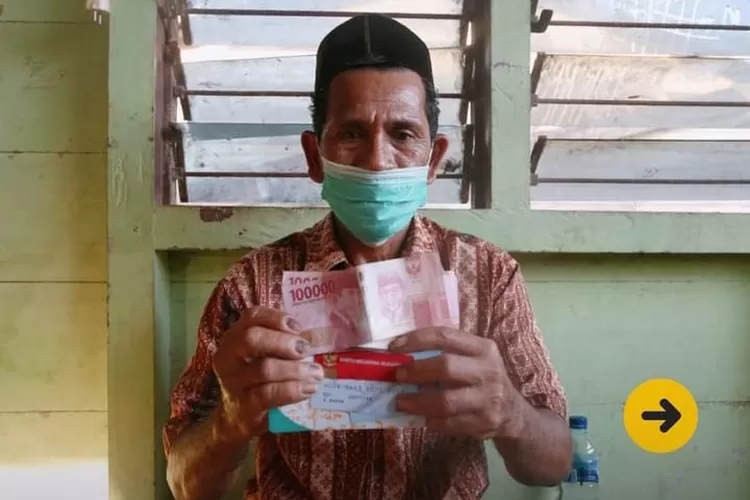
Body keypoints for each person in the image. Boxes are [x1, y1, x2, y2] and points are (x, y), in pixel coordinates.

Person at [163, 13, 572, 500]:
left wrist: (511, 414)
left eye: (403, 134)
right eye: (352, 133)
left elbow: (553, 464)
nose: (378, 160)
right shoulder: (253, 286)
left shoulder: (488, 275)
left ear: (434, 160)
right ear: (315, 156)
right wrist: (230, 421)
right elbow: (184, 484)